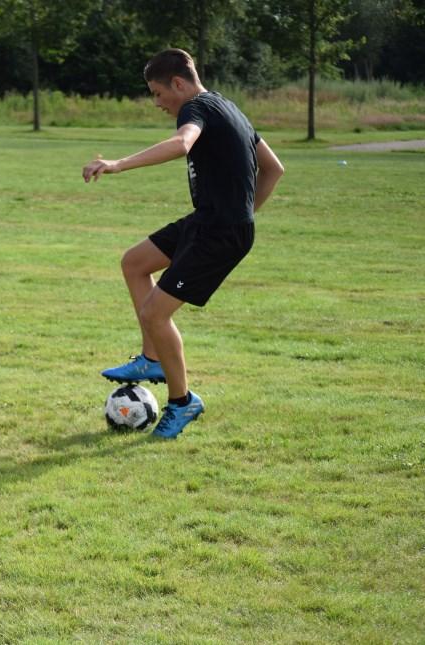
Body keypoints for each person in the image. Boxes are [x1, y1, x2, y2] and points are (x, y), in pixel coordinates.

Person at [83, 48, 284, 439]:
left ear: (178, 83)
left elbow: (181, 144)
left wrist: (117, 164)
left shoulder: (195, 110)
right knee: (135, 262)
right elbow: (275, 169)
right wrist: (244, 212)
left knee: (157, 313)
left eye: (158, 93)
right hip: (211, 222)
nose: (157, 103)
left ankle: (182, 401)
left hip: (219, 232)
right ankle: (151, 358)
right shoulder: (230, 108)